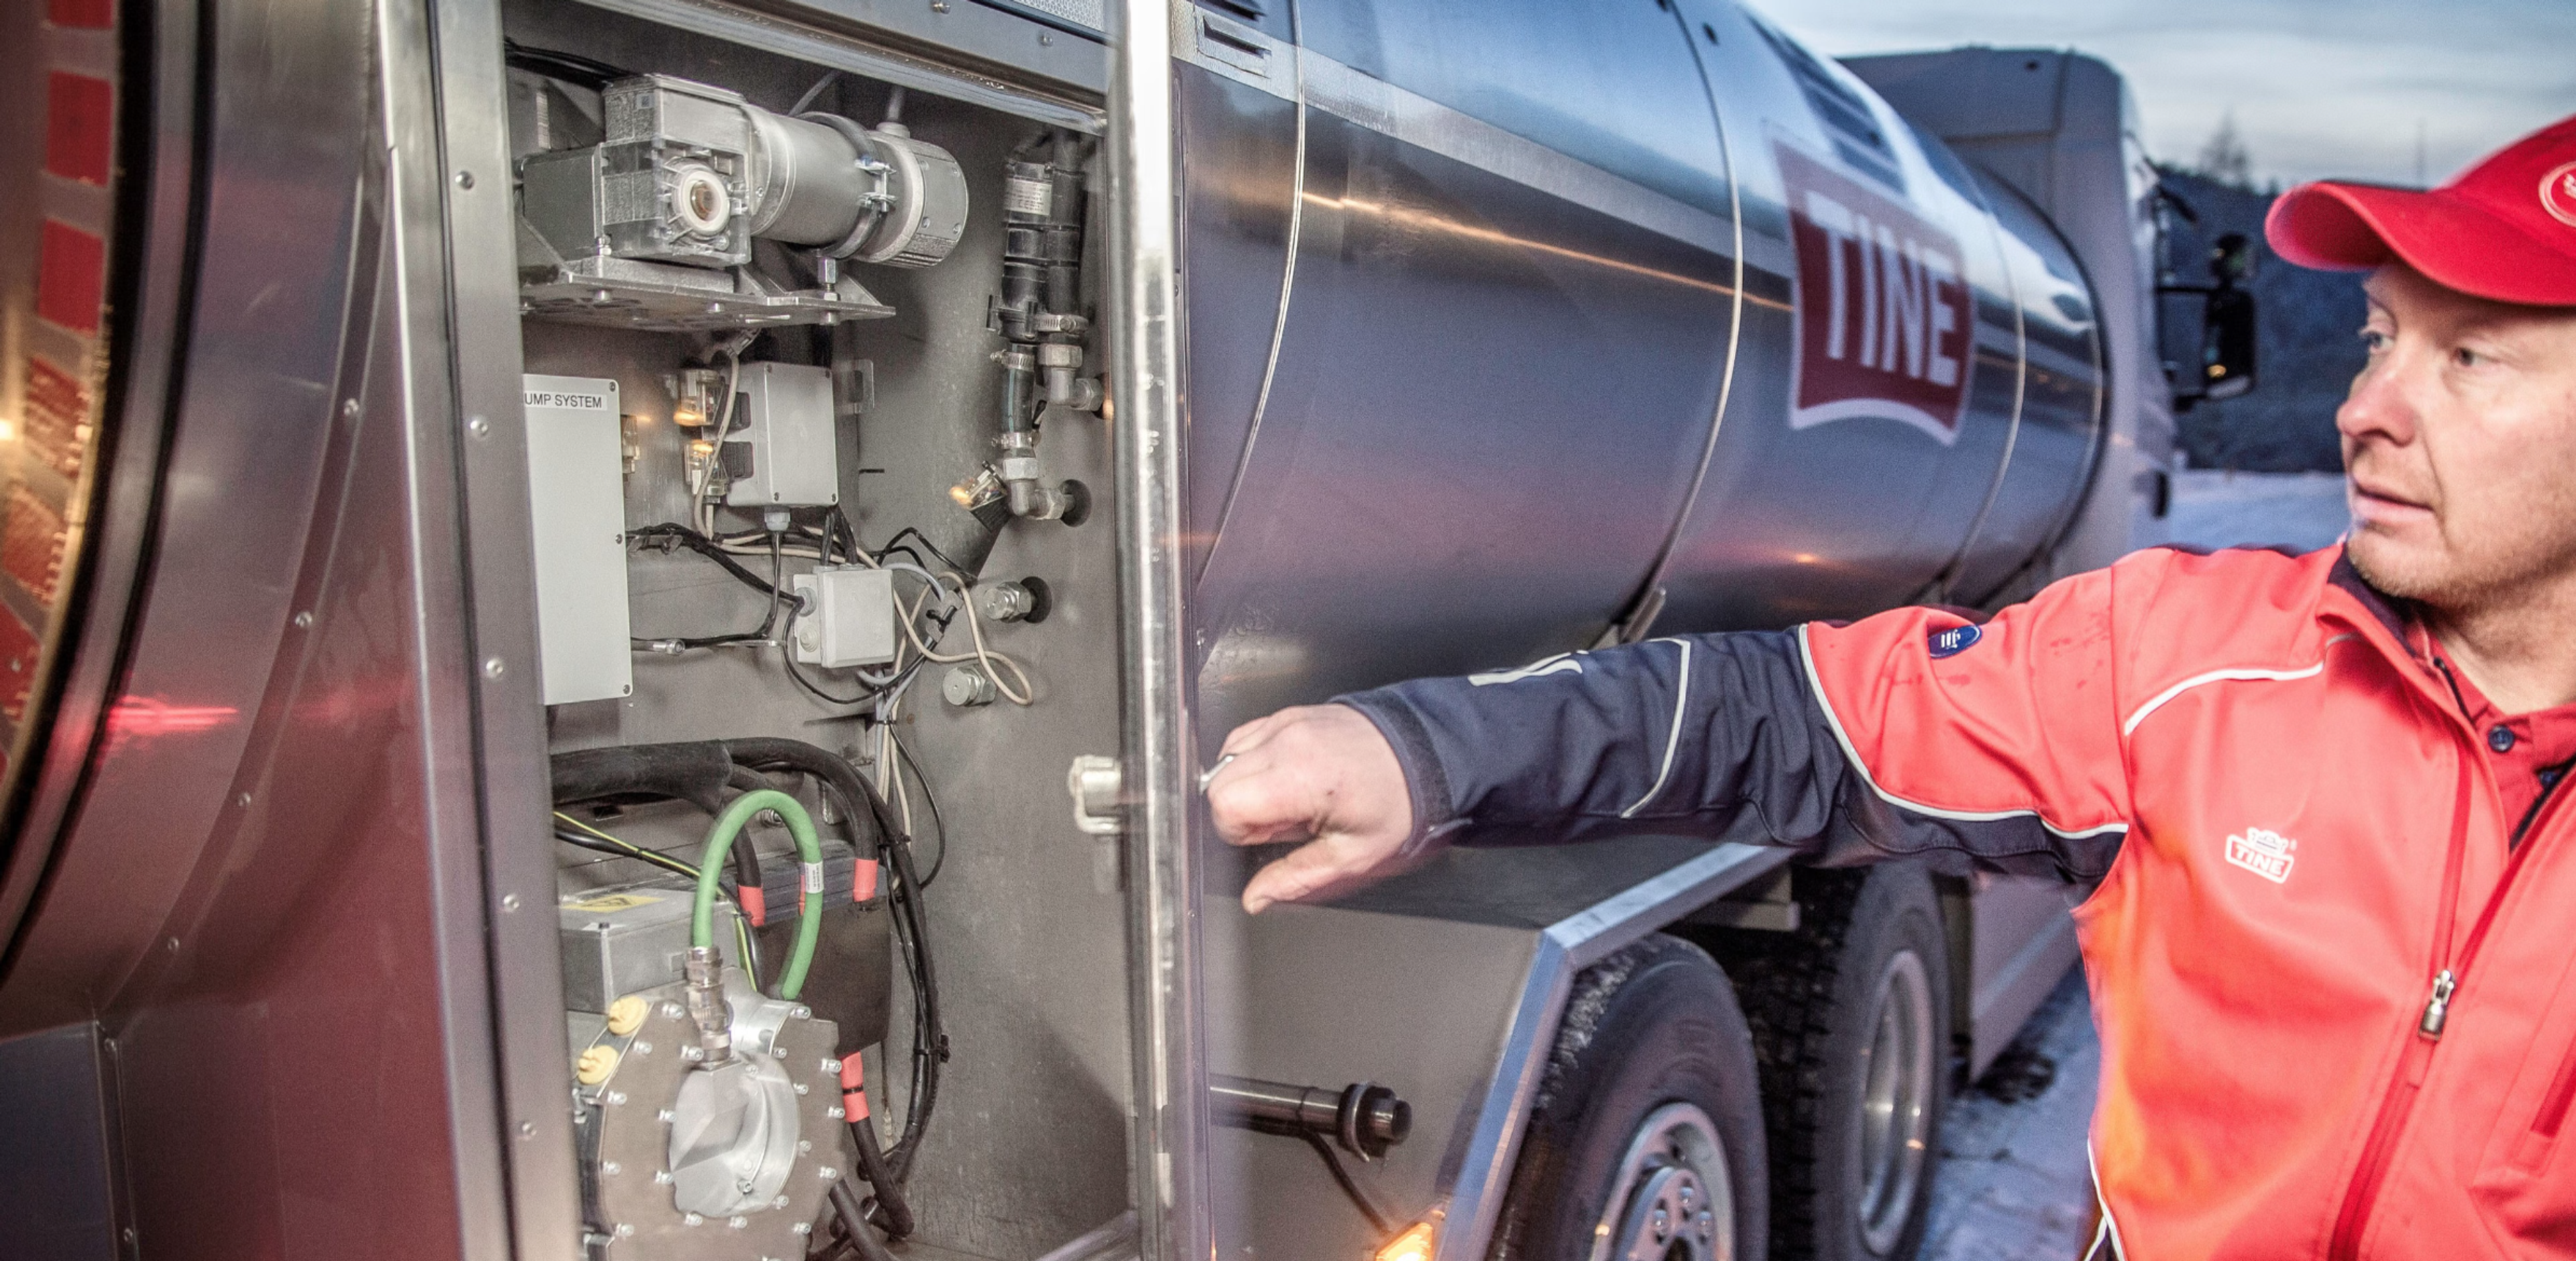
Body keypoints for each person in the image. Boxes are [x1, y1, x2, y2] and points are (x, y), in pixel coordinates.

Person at [1205, 115, 2576, 1259]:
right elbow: (1789, 719)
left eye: (2467, 357)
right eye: (2379, 338)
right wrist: (1427, 753)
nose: (2367, 408)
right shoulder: (2194, 664)